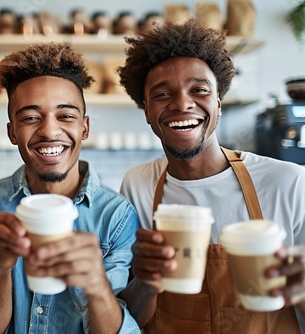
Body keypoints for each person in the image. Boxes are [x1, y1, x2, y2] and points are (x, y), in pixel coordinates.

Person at [117, 19, 305, 333]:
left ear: (217, 104)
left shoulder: (287, 183)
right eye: (162, 95)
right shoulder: (138, 186)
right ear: (146, 111)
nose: (182, 104)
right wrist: (147, 284)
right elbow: (130, 316)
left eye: (199, 90)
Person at [0, 42, 140, 333]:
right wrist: (0, 266)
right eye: (31, 117)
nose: (49, 131)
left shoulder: (116, 216)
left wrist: (95, 284)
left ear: (85, 128)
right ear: (12, 131)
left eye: (66, 116)